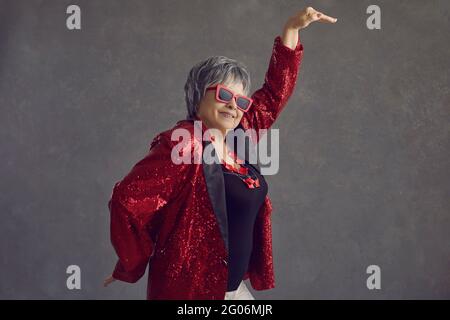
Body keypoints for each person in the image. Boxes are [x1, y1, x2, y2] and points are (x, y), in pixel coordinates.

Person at [104, 7, 337, 300]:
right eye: (223, 95)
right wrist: (132, 263)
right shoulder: (184, 144)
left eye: (241, 100)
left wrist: (291, 28)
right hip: (190, 294)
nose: (233, 106)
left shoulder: (239, 136)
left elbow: (274, 95)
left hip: (232, 291)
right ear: (198, 98)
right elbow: (127, 200)